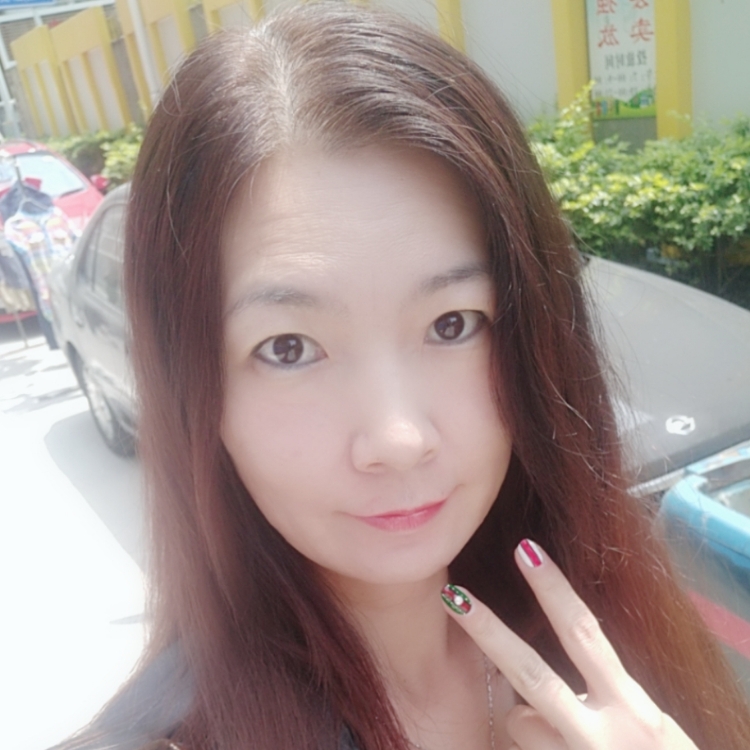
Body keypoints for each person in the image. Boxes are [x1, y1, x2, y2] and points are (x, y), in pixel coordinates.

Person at [57, 3, 750, 749]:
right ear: (193, 392)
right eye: (288, 347)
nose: (399, 439)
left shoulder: (615, 632)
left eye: (452, 324)